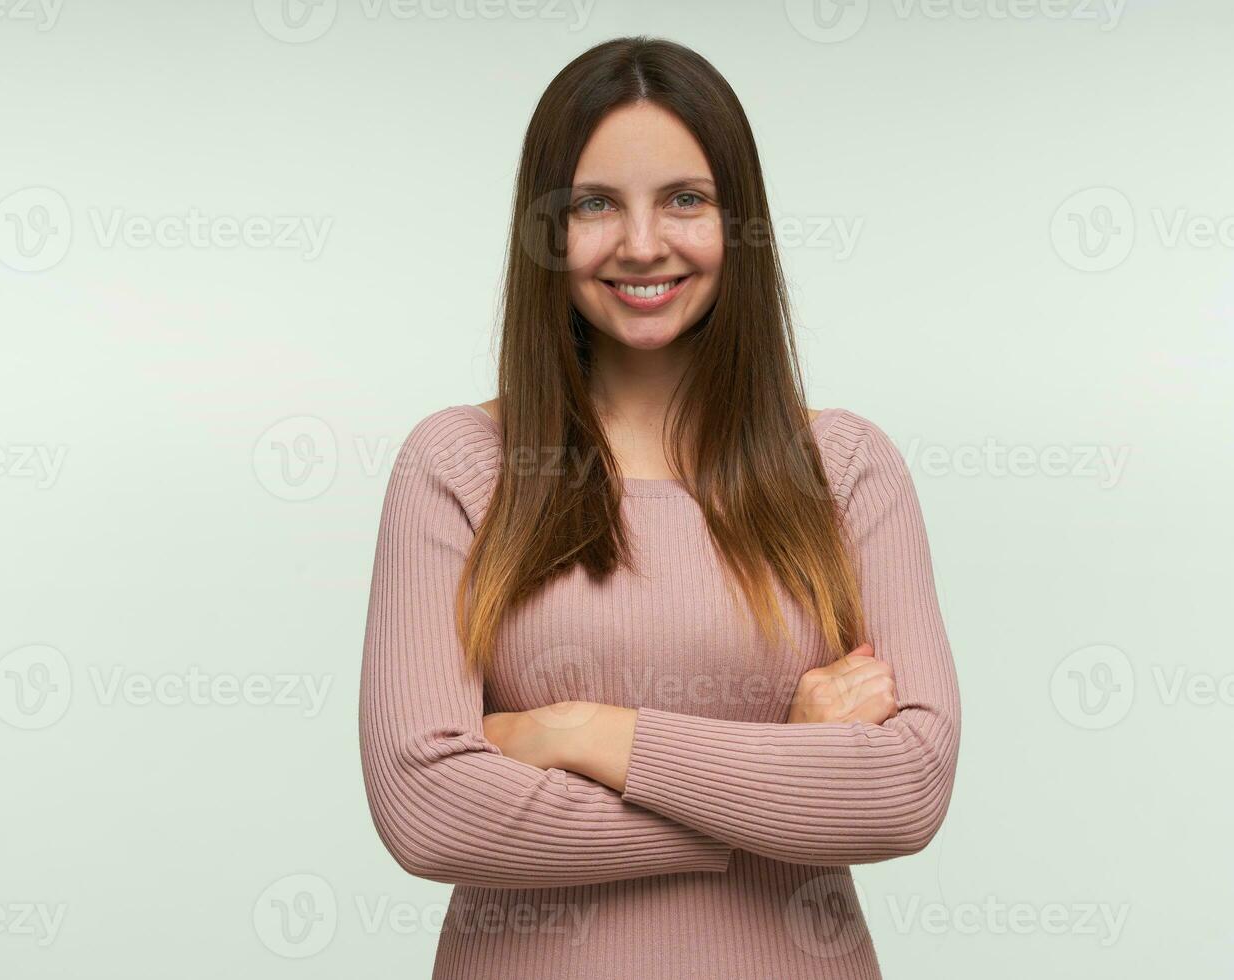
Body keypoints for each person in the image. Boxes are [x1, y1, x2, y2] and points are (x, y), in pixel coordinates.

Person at [359, 35, 960, 980]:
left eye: (685, 199)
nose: (643, 244)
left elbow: (906, 789)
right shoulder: (461, 465)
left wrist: (576, 732)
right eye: (597, 203)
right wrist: (778, 776)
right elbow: (429, 812)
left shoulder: (842, 468)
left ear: (740, 223)